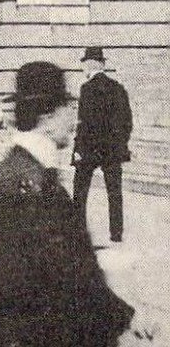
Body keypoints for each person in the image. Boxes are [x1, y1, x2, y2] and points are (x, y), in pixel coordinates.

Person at [0, 61, 135, 347]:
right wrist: (125, 316)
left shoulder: (21, 170)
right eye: (67, 108)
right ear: (47, 118)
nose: (75, 120)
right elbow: (65, 268)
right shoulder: (34, 183)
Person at [73, 46, 132, 244]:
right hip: (112, 149)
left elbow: (84, 123)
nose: (83, 69)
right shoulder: (118, 88)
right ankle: (116, 234)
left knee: (80, 191)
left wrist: (79, 150)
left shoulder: (87, 88)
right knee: (114, 192)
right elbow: (127, 122)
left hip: (90, 149)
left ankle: (78, 231)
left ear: (91, 65)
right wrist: (120, 143)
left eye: (84, 65)